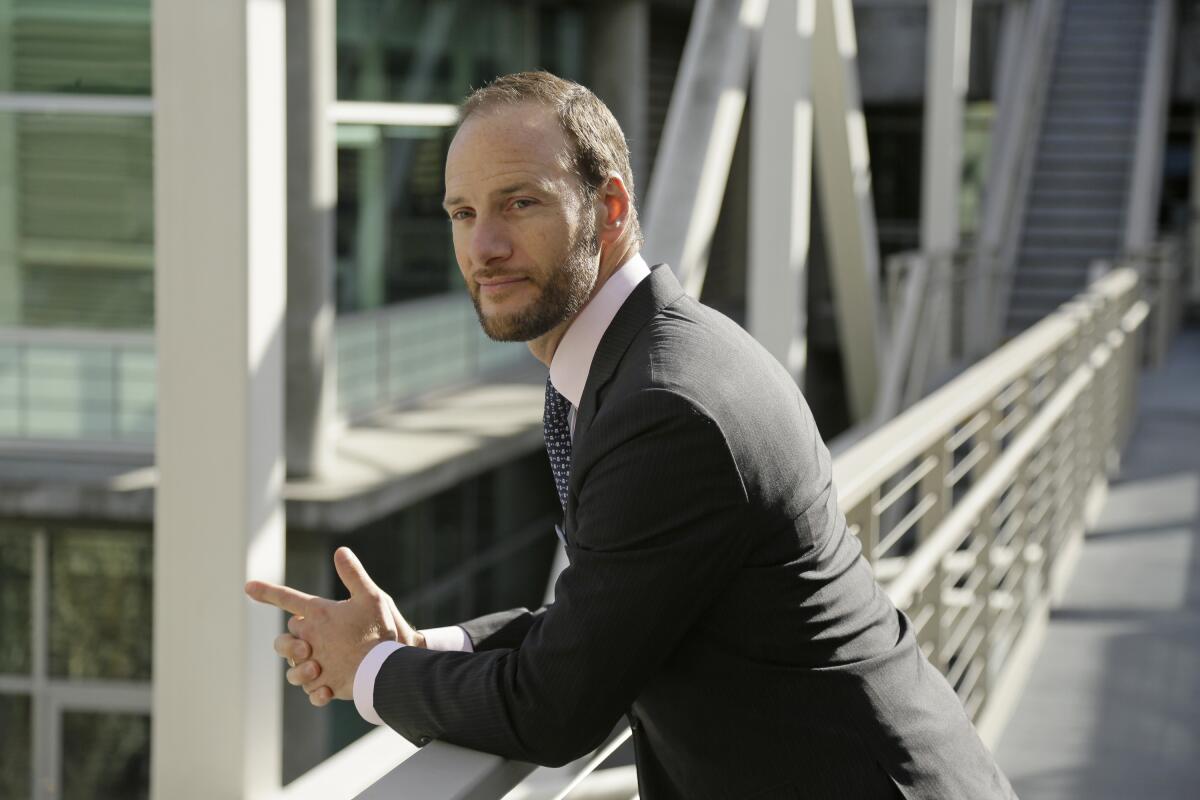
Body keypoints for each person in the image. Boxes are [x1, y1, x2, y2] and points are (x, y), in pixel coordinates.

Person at [246, 71, 1017, 800]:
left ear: (609, 209)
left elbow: (555, 708)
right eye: (463, 213)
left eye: (519, 203)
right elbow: (615, 607)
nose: (483, 247)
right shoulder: (647, 357)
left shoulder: (665, 407)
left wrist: (371, 670)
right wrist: (422, 646)